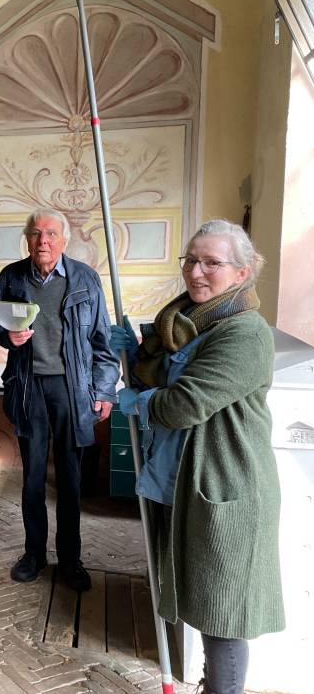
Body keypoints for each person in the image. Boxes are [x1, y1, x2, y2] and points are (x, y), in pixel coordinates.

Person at [110, 219, 284, 694]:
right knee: (195, 597)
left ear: (242, 272)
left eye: (211, 262)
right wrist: (137, 358)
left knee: (221, 612)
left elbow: (184, 404)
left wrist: (142, 402)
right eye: (190, 259)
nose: (196, 271)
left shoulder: (244, 333)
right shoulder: (187, 322)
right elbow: (163, 379)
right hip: (180, 480)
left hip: (224, 484)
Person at [0, 208, 119, 591]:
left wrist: (105, 389)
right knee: (31, 478)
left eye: (50, 234)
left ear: (64, 240)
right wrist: (7, 336)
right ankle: (34, 555)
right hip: (28, 387)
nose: (42, 240)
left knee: (71, 479)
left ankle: (71, 560)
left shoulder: (85, 279)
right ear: (27, 239)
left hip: (71, 389)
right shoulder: (12, 277)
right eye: (35, 233)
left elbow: (103, 342)